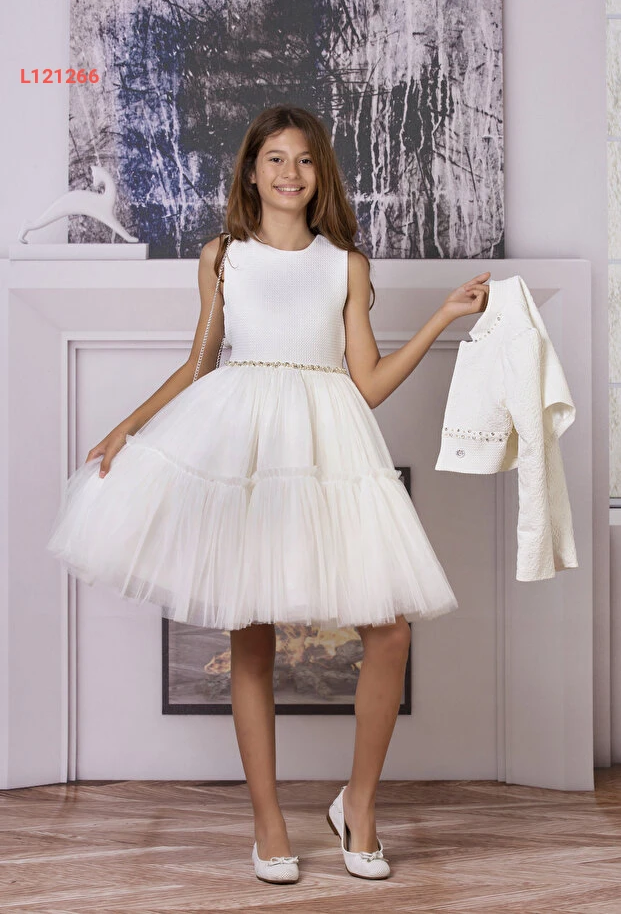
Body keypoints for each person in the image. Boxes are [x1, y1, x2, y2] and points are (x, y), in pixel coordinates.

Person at [46, 104, 489, 884]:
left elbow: (367, 383)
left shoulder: (344, 263)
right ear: (251, 171)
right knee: (251, 633)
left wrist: (443, 318)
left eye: (305, 159)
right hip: (244, 445)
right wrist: (125, 427)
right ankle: (267, 820)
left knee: (388, 630)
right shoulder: (223, 256)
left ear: (321, 174)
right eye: (275, 158)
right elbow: (199, 363)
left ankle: (358, 805)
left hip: (328, 447)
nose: (290, 172)